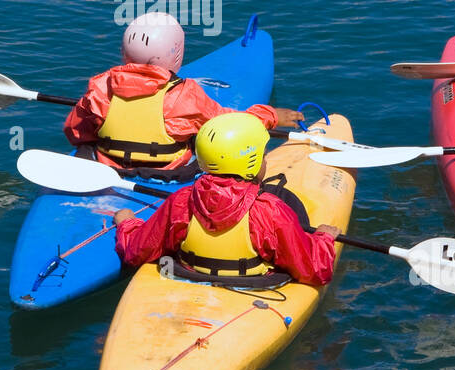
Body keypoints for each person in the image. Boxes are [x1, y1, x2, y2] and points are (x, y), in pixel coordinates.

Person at [113, 112, 340, 284]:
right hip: (252, 285)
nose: (266, 162)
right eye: (262, 156)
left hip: (189, 276)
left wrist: (127, 223)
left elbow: (137, 251)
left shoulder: (181, 201)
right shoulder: (270, 211)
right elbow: (313, 270)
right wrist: (324, 239)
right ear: (251, 162)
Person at [64, 12, 302, 171]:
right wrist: (270, 116)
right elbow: (228, 126)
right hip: (170, 175)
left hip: (109, 167)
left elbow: (74, 132)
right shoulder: (184, 95)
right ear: (176, 53)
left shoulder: (99, 87)